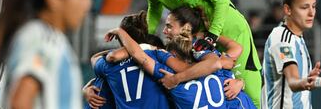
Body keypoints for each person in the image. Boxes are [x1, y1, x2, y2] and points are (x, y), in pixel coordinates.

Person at [123, 0, 262, 108]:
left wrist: (212, 35)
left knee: (246, 89)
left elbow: (220, 0)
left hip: (229, 29)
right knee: (221, 89)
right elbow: (155, 10)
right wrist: (144, 40)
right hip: (202, 37)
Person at [104, 24, 256, 109]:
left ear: (173, 55)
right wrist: (240, 82)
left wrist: (120, 31)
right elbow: (235, 48)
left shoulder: (169, 77)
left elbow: (139, 55)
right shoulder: (217, 63)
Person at [261, 0, 321, 108]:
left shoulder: (298, 38)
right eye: (304, 7)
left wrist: (308, 78)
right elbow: (293, 82)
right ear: (288, 10)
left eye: (313, 6)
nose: (311, 13)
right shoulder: (281, 37)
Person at [90, 11, 172, 109]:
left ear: (119, 38)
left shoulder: (108, 65)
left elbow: (94, 58)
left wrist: (86, 89)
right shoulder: (157, 55)